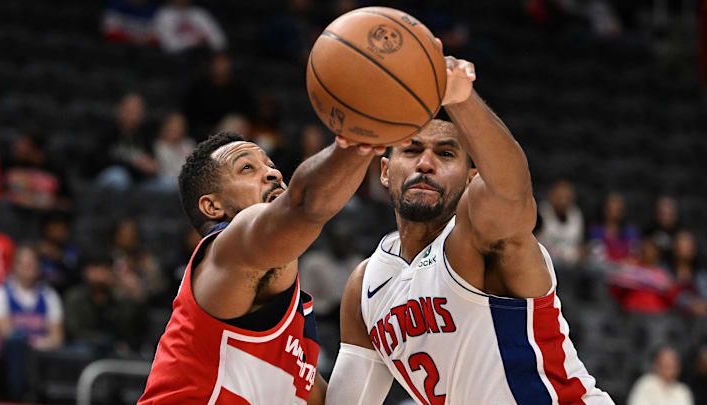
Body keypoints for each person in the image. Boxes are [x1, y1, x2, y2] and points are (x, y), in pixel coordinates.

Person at [326, 50, 613, 404]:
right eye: (411, 150)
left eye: (446, 154)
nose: (426, 164)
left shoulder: (481, 235)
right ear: (385, 171)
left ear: (471, 178)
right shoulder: (365, 286)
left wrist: (461, 99)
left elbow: (511, 193)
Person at [138, 130, 389, 404]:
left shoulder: (292, 341)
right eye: (247, 168)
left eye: (271, 165)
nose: (274, 174)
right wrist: (365, 134)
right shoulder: (227, 249)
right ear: (212, 206)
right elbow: (304, 204)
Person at [0, 244, 64, 401]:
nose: (30, 268)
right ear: (14, 266)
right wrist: (36, 341)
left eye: (33, 263)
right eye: (25, 263)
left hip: (42, 355)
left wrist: (37, 343)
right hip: (7, 358)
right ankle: (17, 398)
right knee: (16, 343)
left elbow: (57, 337)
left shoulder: (49, 295)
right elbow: (5, 331)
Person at [535, 179, 584, 268]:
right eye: (560, 197)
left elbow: (580, 245)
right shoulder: (542, 213)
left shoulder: (575, 215)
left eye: (567, 198)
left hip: (572, 263)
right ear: (551, 196)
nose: (563, 202)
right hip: (547, 261)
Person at [627, 346, 694, 405]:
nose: (670, 369)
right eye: (666, 365)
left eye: (673, 365)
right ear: (656, 365)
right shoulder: (645, 384)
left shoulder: (683, 391)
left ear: (678, 368)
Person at [154, 0, 227, 54]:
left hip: (204, 55)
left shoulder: (199, 13)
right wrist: (196, 41)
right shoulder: (164, 14)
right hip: (176, 58)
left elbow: (219, 40)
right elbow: (170, 45)